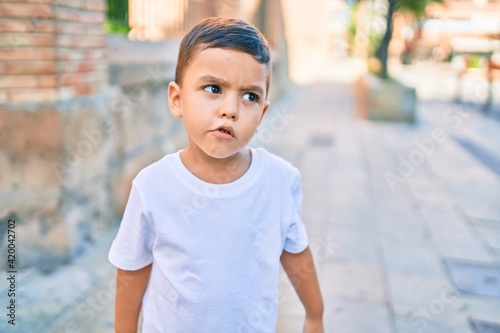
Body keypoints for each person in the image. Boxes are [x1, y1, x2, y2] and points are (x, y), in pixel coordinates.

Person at [108, 17, 324, 333]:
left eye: (250, 96)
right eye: (214, 88)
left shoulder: (279, 180)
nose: (230, 109)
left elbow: (296, 253)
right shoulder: (153, 185)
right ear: (177, 99)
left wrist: (315, 315)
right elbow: (131, 269)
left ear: (263, 113)